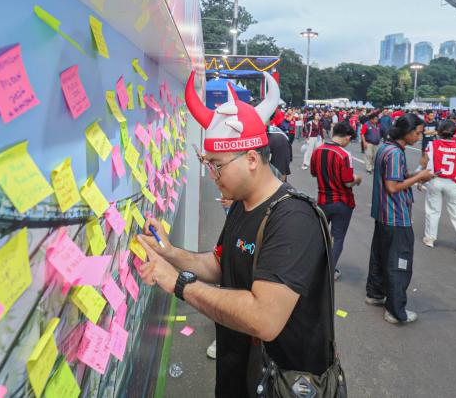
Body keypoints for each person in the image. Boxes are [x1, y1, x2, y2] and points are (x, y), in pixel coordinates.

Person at [138, 72, 335, 397]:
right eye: (207, 162)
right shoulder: (243, 207)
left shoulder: (293, 219)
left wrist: (178, 283)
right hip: (241, 370)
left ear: (253, 159)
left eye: (217, 164)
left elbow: (264, 318)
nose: (211, 174)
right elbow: (220, 265)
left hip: (282, 382)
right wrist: (168, 252)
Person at [365, 115, 435, 324]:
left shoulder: (386, 148)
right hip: (396, 215)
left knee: (380, 256)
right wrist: (420, 177)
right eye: (418, 132)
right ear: (407, 132)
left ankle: (375, 293)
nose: (419, 136)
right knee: (399, 262)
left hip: (383, 214)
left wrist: (414, 175)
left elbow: (394, 179)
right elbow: (393, 186)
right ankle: (396, 310)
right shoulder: (395, 153)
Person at [311, 122, 362, 280]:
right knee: (337, 238)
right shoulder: (344, 155)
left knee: (322, 236)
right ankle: (329, 272)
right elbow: (347, 182)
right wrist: (357, 180)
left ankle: (315, 267)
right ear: (346, 137)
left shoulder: (317, 151)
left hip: (322, 200)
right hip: (341, 201)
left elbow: (313, 173)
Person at [419, 120, 456, 256]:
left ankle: (430, 238)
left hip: (436, 179)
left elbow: (424, 163)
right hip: (454, 182)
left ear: (439, 131)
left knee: (433, 211)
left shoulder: (432, 144)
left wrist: (421, 179)